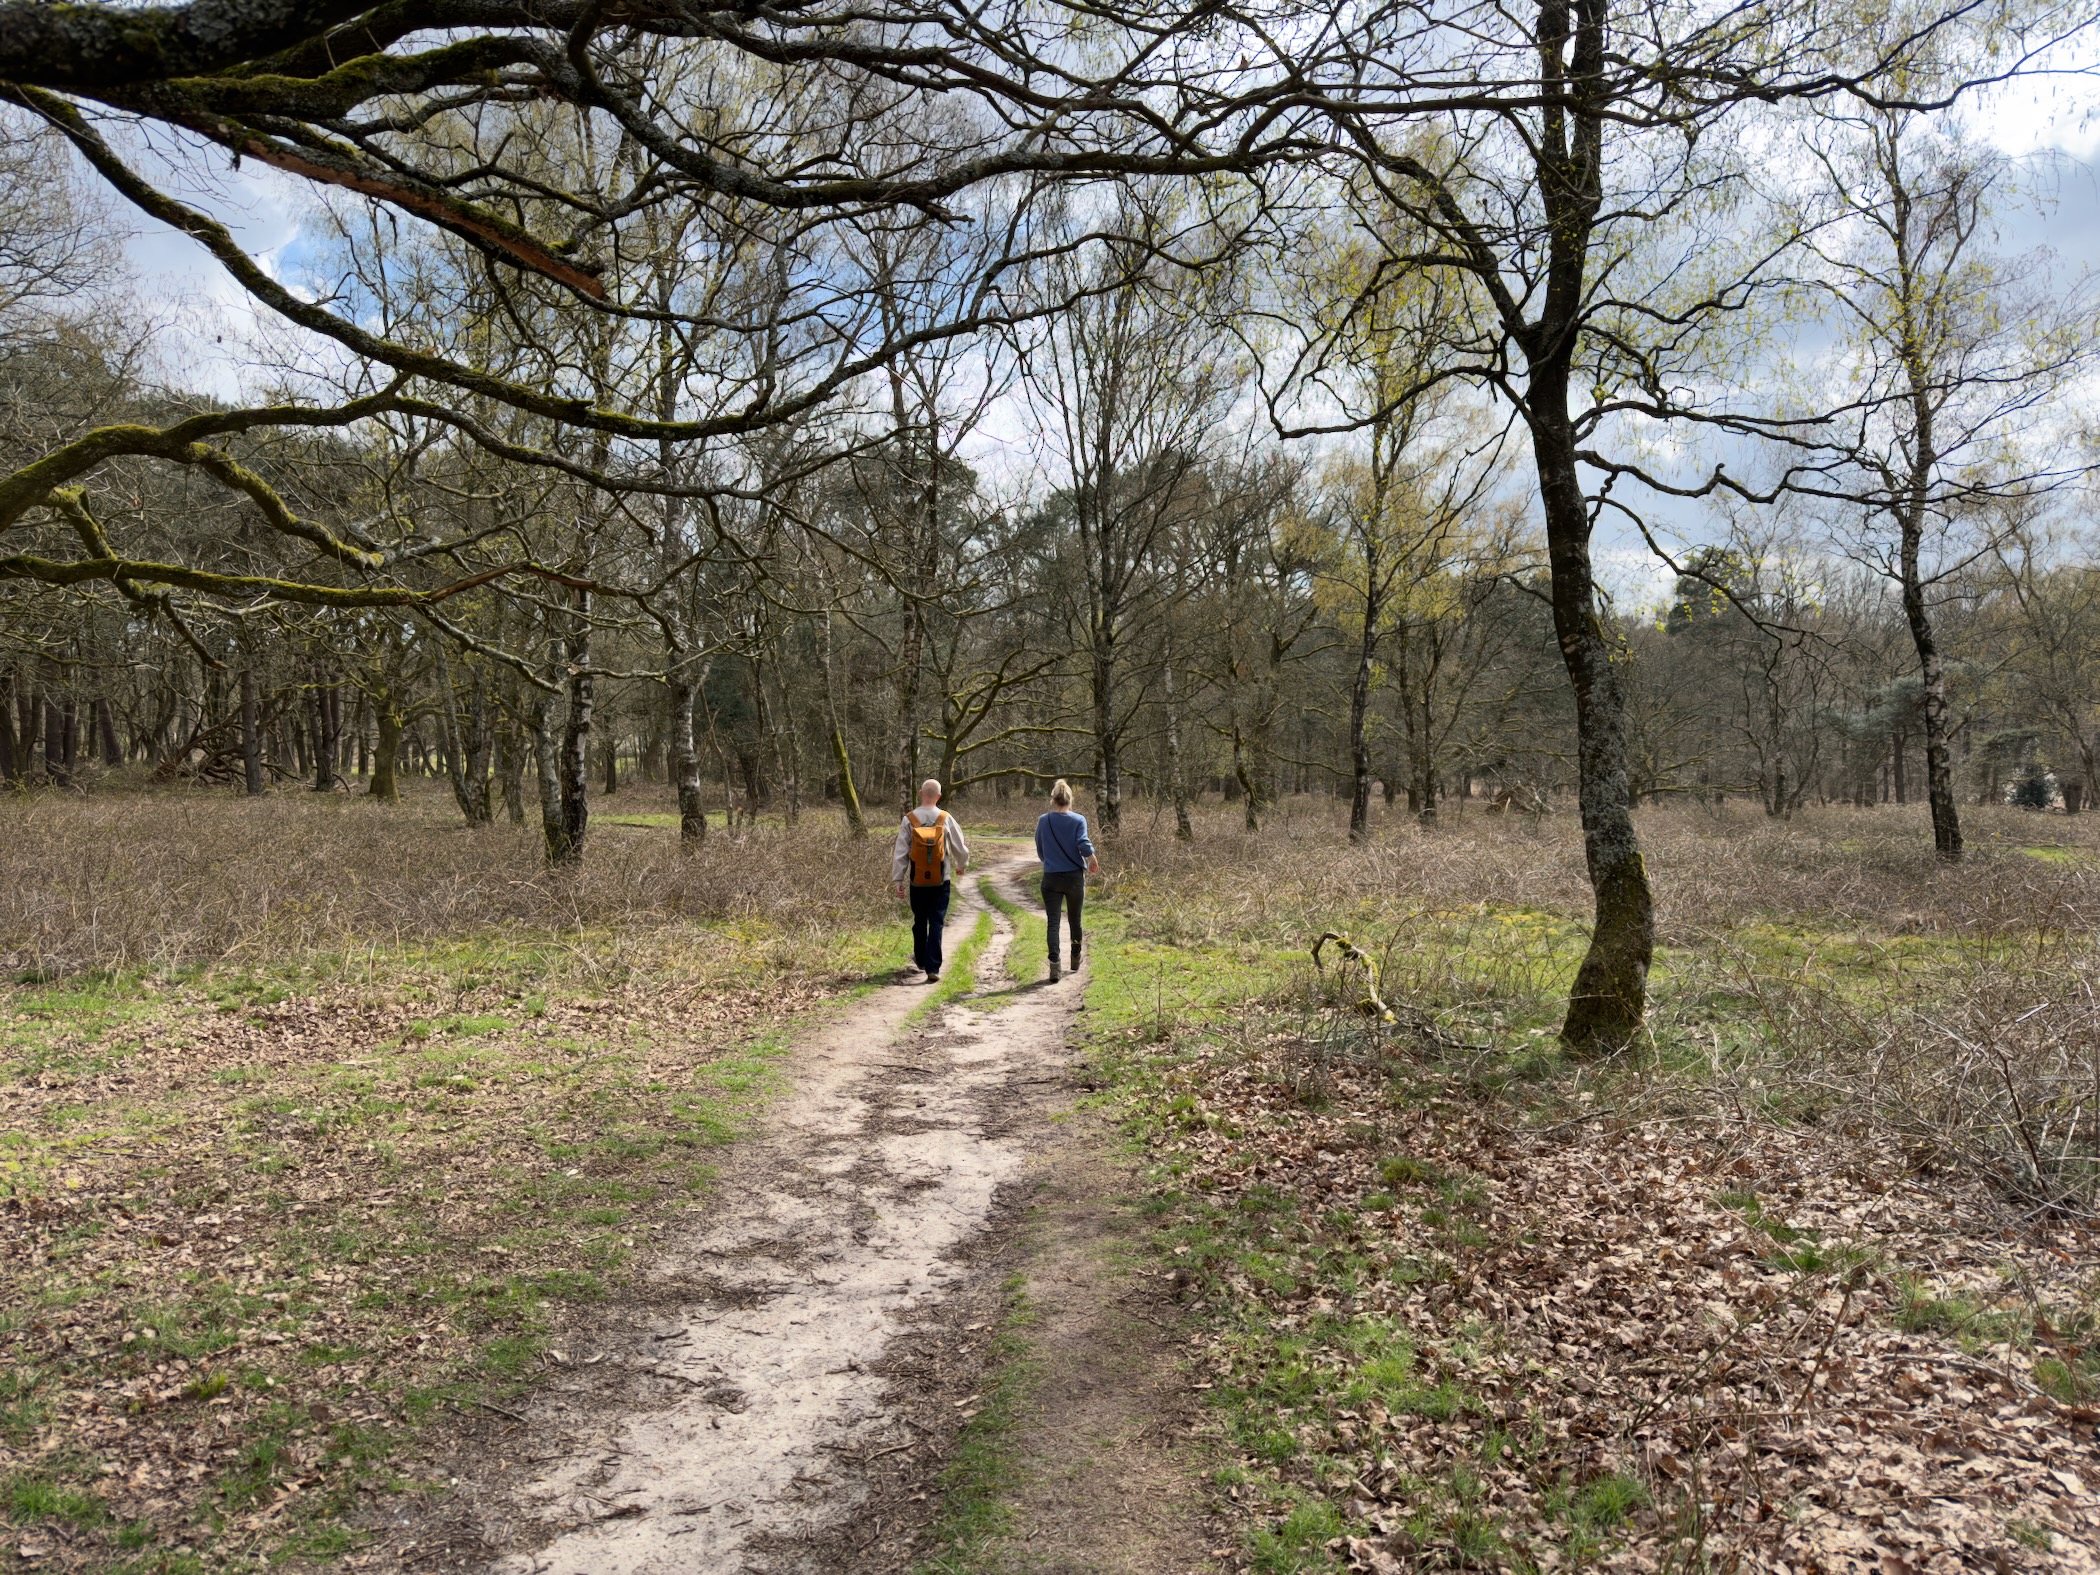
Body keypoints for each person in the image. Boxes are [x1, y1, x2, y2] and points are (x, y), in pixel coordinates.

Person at [893, 778, 970, 983]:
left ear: (920, 793)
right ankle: (933, 967)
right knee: (936, 921)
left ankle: (920, 959)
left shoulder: (909, 819)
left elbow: (900, 851)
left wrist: (898, 879)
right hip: (941, 879)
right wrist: (962, 865)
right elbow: (959, 846)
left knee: (920, 920)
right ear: (939, 796)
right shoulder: (945, 818)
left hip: (917, 880)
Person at [1034, 779, 1099, 982]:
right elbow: (1082, 843)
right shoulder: (1079, 820)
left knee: (1053, 923)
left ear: (1053, 800)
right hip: (1073, 877)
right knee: (1075, 920)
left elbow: (1040, 847)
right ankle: (1075, 956)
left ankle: (1054, 964)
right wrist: (1092, 857)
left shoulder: (1044, 820)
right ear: (1070, 800)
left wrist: (1050, 862)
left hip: (1051, 877)